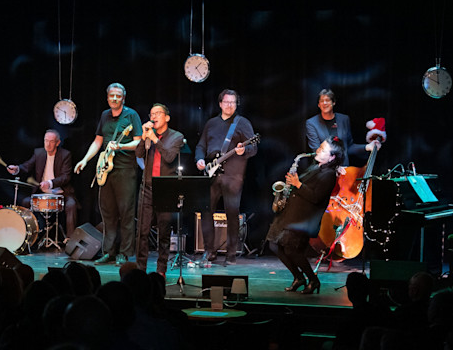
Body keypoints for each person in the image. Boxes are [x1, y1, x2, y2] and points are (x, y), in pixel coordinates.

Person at [74, 83, 142, 266]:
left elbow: (138, 142)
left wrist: (120, 146)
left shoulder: (131, 115)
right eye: (112, 95)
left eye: (118, 96)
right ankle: (108, 252)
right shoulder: (105, 115)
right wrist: (85, 160)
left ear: (123, 98)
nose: (114, 98)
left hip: (125, 170)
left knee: (126, 213)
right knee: (108, 213)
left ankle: (124, 253)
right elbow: (98, 141)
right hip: (106, 171)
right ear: (107, 97)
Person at [268, 138, 345, 295]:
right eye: (320, 147)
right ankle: (298, 277)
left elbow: (316, 197)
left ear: (332, 157)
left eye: (323, 150)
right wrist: (291, 183)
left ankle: (313, 280)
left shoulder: (329, 174)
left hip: (303, 219)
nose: (318, 151)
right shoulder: (315, 167)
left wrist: (298, 184)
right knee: (274, 245)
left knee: (292, 250)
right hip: (291, 213)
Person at [194, 89, 257, 265]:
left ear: (236, 104)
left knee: (232, 213)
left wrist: (244, 150)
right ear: (220, 104)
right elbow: (200, 146)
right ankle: (209, 251)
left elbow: (254, 148)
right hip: (212, 173)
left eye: (233, 102)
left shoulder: (242, 123)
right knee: (206, 211)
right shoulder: (211, 123)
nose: (229, 105)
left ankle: (231, 254)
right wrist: (199, 159)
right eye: (226, 102)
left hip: (233, 175)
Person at [135, 103, 185, 275]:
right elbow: (138, 154)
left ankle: (161, 270)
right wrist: (144, 137)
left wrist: (156, 140)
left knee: (163, 232)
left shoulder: (176, 136)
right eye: (151, 113)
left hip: (166, 189)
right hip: (147, 188)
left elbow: (170, 157)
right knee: (142, 231)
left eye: (158, 113)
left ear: (167, 117)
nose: (154, 116)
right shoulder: (149, 135)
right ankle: (140, 269)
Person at [6, 129, 78, 239]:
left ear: (58, 143)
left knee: (71, 205)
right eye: (46, 140)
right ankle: (27, 237)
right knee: (25, 202)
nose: (48, 144)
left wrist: (50, 183)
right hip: (42, 194)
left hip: (61, 194)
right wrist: (17, 169)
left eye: (51, 141)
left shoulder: (65, 155)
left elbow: (65, 177)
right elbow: (27, 166)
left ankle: (70, 239)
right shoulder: (38, 153)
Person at [305, 89, 383, 166]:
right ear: (318, 104)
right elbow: (317, 152)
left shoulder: (344, 119)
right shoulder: (311, 123)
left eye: (327, 100)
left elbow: (348, 147)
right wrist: (334, 169)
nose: (325, 103)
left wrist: (367, 147)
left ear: (333, 102)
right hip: (324, 170)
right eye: (322, 101)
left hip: (344, 169)